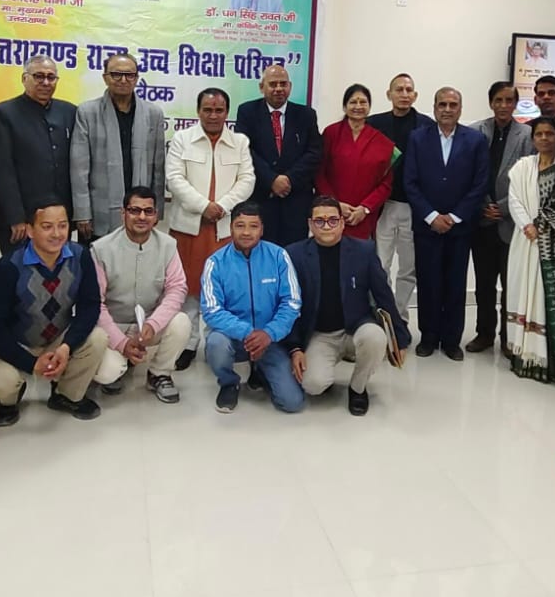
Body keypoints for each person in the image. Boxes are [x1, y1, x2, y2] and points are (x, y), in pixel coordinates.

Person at [0, 202, 108, 427]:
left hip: (58, 340)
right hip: (18, 343)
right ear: (30, 230)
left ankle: (65, 395)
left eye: (62, 225)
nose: (57, 234)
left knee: (98, 338)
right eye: (47, 226)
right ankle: (10, 400)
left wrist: (67, 347)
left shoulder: (81, 257)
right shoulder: (7, 268)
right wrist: (31, 363)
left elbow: (90, 306)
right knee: (3, 382)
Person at [283, 197, 409, 415]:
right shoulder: (294, 255)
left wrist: (400, 337)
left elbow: (383, 295)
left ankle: (358, 388)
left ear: (342, 223)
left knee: (375, 338)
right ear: (310, 224)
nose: (326, 226)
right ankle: (326, 370)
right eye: (320, 221)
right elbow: (288, 304)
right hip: (320, 334)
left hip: (356, 328)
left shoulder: (364, 251)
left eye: (333, 220)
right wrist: (295, 348)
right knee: (313, 385)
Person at [164, 87, 255, 369]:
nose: (213, 115)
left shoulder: (239, 141)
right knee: (188, 289)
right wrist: (204, 206)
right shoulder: (182, 139)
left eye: (219, 110)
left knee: (220, 289)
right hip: (189, 227)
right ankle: (188, 343)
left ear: (227, 113)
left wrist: (222, 206)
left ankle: (217, 341)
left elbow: (247, 180)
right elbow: (174, 178)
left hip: (224, 228)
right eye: (207, 110)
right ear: (198, 111)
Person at [404, 87, 488, 361]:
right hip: (426, 226)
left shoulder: (475, 140)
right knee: (428, 282)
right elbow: (410, 182)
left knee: (455, 284)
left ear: (460, 109)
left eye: (453, 105)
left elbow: (479, 184)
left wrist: (453, 217)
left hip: (459, 227)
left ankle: (452, 340)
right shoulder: (418, 138)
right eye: (442, 104)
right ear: (434, 107)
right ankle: (428, 337)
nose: (447, 109)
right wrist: (431, 216)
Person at [89, 188, 191, 404]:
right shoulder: (101, 249)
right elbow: (95, 304)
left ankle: (159, 374)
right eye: (134, 210)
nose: (142, 217)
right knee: (108, 373)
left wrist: (153, 324)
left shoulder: (168, 245)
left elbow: (177, 289)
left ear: (156, 215)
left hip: (148, 324)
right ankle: (120, 363)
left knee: (181, 322)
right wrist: (121, 343)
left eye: (148, 211)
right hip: (112, 325)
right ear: (123, 213)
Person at [200, 202, 303, 413]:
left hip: (270, 339)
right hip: (233, 337)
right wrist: (248, 333)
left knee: (292, 403)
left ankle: (261, 371)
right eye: (240, 225)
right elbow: (211, 310)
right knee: (216, 343)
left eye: (253, 226)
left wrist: (269, 333)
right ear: (230, 228)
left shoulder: (279, 256)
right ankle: (229, 383)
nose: (246, 232)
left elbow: (292, 302)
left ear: (262, 229)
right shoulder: (215, 262)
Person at [504, 116, 555, 387]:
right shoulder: (522, 167)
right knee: (522, 291)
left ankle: (551, 362)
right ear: (532, 138)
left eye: (549, 133)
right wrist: (527, 225)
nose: (544, 138)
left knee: (551, 302)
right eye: (539, 134)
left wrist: (544, 226)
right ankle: (524, 355)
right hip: (525, 241)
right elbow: (514, 200)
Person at [71, 52, 166, 241]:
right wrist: (82, 213)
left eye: (129, 75)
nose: (123, 80)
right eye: (116, 74)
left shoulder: (153, 113)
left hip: (140, 213)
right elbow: (79, 169)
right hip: (98, 212)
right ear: (105, 77)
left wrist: (156, 211)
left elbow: (158, 170)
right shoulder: (87, 112)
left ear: (136, 78)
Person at [467, 81, 532, 354]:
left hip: (510, 221)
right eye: (498, 100)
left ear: (515, 104)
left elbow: (528, 179)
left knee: (510, 285)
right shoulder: (475, 131)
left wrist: (503, 208)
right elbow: (468, 174)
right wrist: (483, 204)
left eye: (509, 100)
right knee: (483, 284)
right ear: (490, 102)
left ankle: (508, 337)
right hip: (481, 220)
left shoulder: (527, 134)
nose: (503, 105)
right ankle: (484, 334)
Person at [0, 56, 77, 247]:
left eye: (51, 77)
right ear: (24, 78)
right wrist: (15, 216)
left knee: (58, 265)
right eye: (39, 76)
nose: (46, 82)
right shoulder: (5, 113)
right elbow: (2, 170)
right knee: (20, 265)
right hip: (23, 219)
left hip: (59, 218)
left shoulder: (69, 111)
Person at [367, 73, 435, 320]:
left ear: (415, 95)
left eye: (408, 90)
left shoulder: (427, 125)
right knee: (380, 264)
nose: (404, 94)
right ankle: (382, 313)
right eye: (399, 89)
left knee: (408, 267)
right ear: (389, 94)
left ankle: (400, 316)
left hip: (414, 206)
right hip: (383, 205)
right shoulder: (374, 124)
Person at [236, 64, 320, 246]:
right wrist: (272, 179)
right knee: (260, 251)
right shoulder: (247, 112)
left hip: (296, 199)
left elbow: (314, 152)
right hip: (261, 197)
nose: (279, 89)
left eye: (283, 84)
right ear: (262, 87)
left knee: (294, 252)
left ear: (290, 86)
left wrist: (288, 179)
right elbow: (244, 150)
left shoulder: (306, 114)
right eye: (273, 84)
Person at [316, 84, 394, 241]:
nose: (358, 106)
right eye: (353, 102)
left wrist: (364, 209)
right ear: (344, 107)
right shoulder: (331, 133)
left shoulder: (383, 142)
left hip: (363, 216)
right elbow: (318, 173)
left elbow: (386, 183)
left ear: (369, 107)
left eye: (363, 102)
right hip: (330, 214)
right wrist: (335, 205)